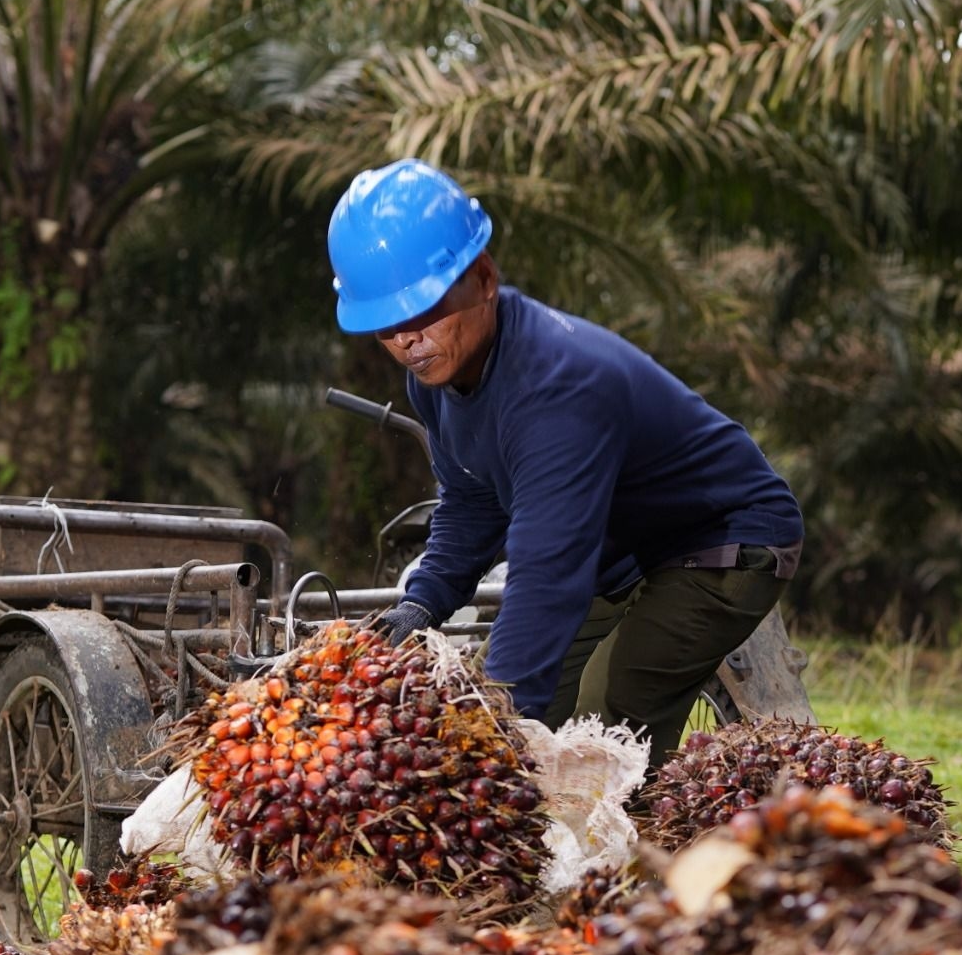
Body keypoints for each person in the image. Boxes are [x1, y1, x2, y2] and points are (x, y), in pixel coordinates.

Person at [329, 159, 804, 772]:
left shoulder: (559, 384)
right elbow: (471, 503)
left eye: (424, 312)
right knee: (518, 700)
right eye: (386, 327)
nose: (407, 341)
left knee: (606, 723)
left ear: (483, 277)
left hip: (724, 536)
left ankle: (636, 861)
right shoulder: (435, 382)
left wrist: (491, 743)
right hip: (622, 546)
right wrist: (422, 604)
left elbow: (548, 574)